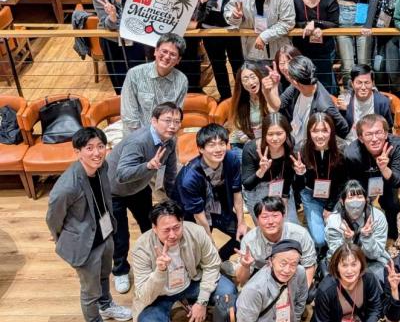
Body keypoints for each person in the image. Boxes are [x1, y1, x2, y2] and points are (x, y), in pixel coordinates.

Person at [46, 127, 132, 322]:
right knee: (89, 289)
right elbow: (53, 217)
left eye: (100, 146)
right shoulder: (68, 186)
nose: (97, 153)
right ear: (78, 152)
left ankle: (106, 306)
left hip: (104, 232)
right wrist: (60, 236)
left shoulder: (102, 167)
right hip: (84, 244)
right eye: (89, 148)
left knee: (104, 275)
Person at [131, 200, 237, 322]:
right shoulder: (141, 248)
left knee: (228, 290)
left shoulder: (196, 232)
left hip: (191, 282)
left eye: (176, 227)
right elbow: (143, 295)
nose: (172, 235)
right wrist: (160, 271)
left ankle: (193, 303)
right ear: (154, 228)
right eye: (166, 230)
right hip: (160, 295)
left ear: (182, 221)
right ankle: (170, 317)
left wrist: (202, 302)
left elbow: (212, 265)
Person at [106, 102, 181, 294]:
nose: (172, 126)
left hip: (139, 188)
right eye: (167, 120)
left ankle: (156, 260)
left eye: (177, 121)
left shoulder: (170, 142)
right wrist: (147, 166)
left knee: (151, 226)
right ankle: (120, 270)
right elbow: (122, 174)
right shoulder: (138, 141)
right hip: (113, 191)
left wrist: (173, 199)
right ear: (154, 121)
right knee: (119, 235)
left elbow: (170, 172)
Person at [170, 123, 246, 262]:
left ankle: (222, 258)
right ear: (201, 149)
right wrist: (210, 242)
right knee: (200, 251)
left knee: (245, 236)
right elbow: (199, 216)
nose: (218, 149)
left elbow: (237, 193)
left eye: (222, 144)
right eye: (211, 145)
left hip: (219, 207)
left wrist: (241, 222)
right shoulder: (189, 178)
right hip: (192, 214)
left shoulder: (231, 159)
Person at [343, 113, 400, 240]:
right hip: (363, 179)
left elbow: (399, 181)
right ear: (361, 138)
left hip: (388, 177)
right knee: (361, 205)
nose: (374, 139)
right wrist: (364, 200)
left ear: (386, 133)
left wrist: (384, 168)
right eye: (368, 134)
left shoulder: (395, 145)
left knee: (392, 203)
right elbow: (352, 186)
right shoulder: (351, 154)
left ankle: (393, 234)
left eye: (378, 133)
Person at [292, 112, 348, 254]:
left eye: (325, 130)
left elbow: (342, 182)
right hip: (310, 195)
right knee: (320, 240)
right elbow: (298, 187)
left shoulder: (342, 148)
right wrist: (300, 174)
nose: (320, 135)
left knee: (340, 232)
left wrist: (329, 207)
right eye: (315, 131)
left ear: (332, 131)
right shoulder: (300, 150)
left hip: (335, 195)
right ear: (309, 132)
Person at [90, 0, 147, 94]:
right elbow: (106, 24)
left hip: (134, 38)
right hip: (111, 40)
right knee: (118, 76)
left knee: (139, 72)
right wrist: (112, 17)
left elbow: (140, 17)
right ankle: (122, 102)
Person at [332, 0, 387, 85]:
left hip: (364, 18)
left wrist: (368, 25)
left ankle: (367, 93)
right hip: (344, 16)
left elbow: (373, 2)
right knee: (347, 66)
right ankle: (349, 95)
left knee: (364, 64)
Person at [234, 196, 317, 288]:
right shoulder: (249, 241)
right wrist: (245, 266)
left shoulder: (300, 234)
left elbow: (309, 266)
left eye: (275, 216)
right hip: (264, 275)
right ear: (257, 219)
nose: (270, 222)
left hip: (292, 272)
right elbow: (241, 280)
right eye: (265, 217)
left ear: (284, 216)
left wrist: (302, 292)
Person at [120, 33, 187, 135]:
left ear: (178, 60)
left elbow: (176, 116)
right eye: (164, 51)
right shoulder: (134, 74)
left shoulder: (182, 80)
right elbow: (129, 116)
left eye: (173, 54)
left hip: (165, 135)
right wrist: (145, 140)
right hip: (136, 135)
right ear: (155, 51)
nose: (167, 57)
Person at [279, 56, 349, 153]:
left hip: (310, 151)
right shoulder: (298, 86)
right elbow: (280, 104)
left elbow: (344, 129)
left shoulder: (324, 107)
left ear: (294, 81)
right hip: (296, 143)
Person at [292, 0, 340, 95]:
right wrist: (306, 26)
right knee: (303, 85)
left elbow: (335, 23)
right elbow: (290, 22)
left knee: (325, 86)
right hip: (300, 51)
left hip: (324, 51)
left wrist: (318, 24)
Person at [325, 180, 389, 280]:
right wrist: (346, 241)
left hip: (371, 260)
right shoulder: (334, 221)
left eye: (359, 197)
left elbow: (375, 254)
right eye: (350, 198)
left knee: (379, 276)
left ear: (366, 199)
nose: (355, 202)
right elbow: (335, 255)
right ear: (342, 201)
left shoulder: (377, 218)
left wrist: (367, 238)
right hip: (343, 261)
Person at [242, 112, 299, 224]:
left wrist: (285, 197)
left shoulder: (289, 142)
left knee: (289, 224)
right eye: (270, 134)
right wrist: (261, 171)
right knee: (267, 226)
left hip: (281, 185)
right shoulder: (251, 149)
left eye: (279, 133)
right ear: (264, 134)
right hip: (257, 188)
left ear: (286, 132)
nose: (275, 138)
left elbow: (288, 174)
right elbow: (247, 185)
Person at [228, 61, 281, 147]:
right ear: (241, 84)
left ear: (259, 77)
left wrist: (274, 87)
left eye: (253, 77)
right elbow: (238, 130)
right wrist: (253, 144)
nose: (251, 82)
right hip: (241, 142)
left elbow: (274, 109)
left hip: (263, 140)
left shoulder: (267, 94)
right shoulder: (240, 100)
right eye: (245, 79)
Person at [337, 64, 393, 142]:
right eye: (359, 83)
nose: (363, 87)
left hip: (375, 141)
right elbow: (340, 130)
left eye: (367, 82)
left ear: (372, 83)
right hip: (351, 141)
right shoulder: (345, 100)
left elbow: (388, 129)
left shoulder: (382, 102)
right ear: (352, 84)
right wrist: (345, 110)